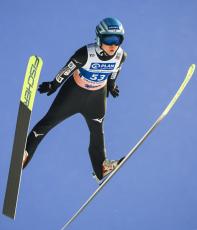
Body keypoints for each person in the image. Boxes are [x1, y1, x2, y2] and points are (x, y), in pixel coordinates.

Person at [22, 17, 127, 182]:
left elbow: (115, 71)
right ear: (99, 38)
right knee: (48, 122)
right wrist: (53, 85)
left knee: (97, 133)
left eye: (118, 40)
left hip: (96, 98)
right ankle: (25, 153)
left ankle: (101, 168)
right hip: (73, 94)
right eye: (108, 40)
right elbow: (68, 69)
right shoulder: (85, 53)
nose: (113, 45)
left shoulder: (121, 56)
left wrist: (112, 85)